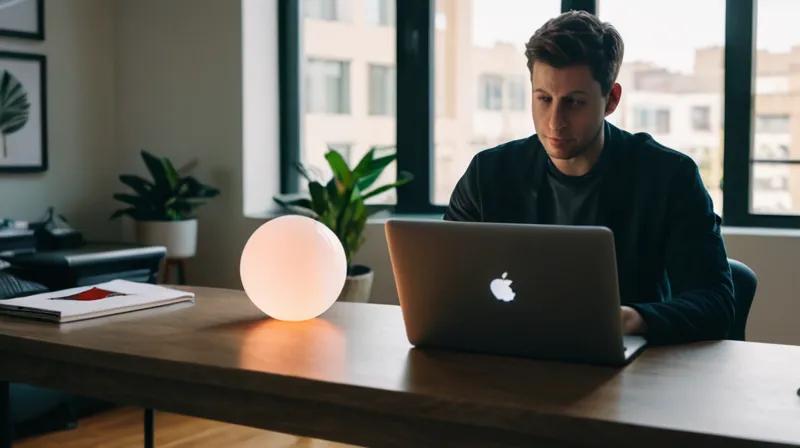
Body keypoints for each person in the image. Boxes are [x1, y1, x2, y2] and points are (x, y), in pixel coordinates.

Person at [443, 10, 734, 344]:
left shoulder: (670, 178)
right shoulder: (487, 174)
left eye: (574, 103)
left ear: (611, 100)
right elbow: (443, 284)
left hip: (626, 362)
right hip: (508, 351)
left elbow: (717, 304)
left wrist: (632, 318)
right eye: (544, 99)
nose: (555, 121)